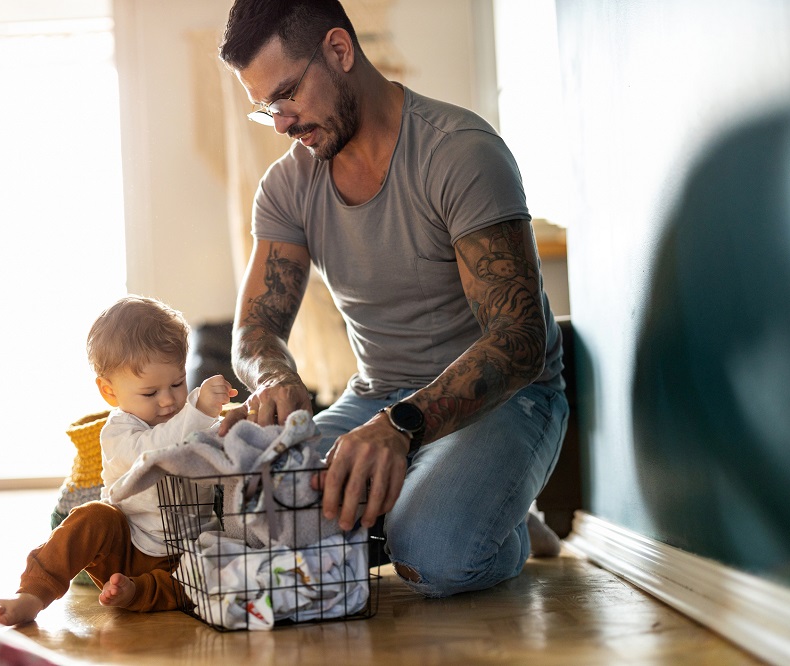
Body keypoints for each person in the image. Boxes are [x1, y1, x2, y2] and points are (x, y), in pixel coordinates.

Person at [217, 0, 568, 598]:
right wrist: (272, 374)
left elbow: (519, 342)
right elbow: (255, 331)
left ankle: (500, 523)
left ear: (339, 50)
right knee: (256, 517)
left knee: (432, 552)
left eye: (288, 95)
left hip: (507, 399)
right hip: (377, 397)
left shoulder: (459, 153)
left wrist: (401, 427)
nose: (280, 123)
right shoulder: (287, 186)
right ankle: (463, 496)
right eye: (265, 108)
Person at [0, 295, 237, 625]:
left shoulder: (188, 411)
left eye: (176, 383)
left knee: (216, 571)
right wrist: (199, 413)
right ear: (109, 392)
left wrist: (232, 426)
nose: (169, 400)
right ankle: (32, 594)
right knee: (93, 517)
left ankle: (138, 594)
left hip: (191, 551)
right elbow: (154, 451)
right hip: (129, 548)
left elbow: (215, 447)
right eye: (150, 392)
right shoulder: (118, 431)